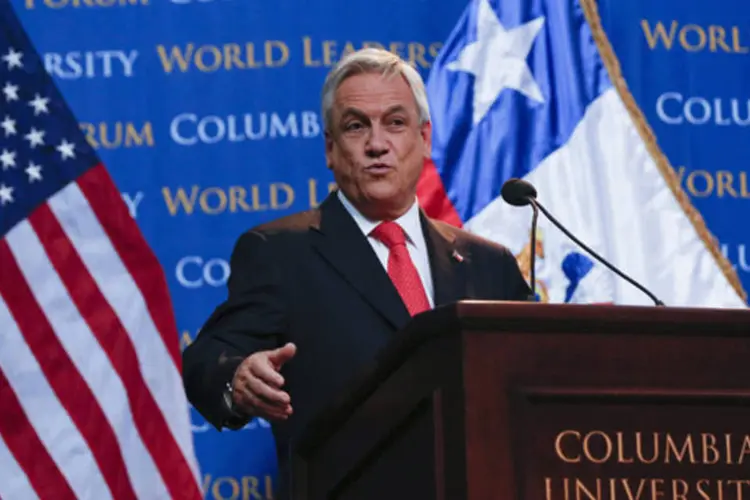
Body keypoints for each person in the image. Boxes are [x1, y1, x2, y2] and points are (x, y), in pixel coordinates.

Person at [182, 47, 532, 496]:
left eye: (395, 122)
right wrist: (237, 377)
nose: (376, 143)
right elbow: (206, 359)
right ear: (330, 148)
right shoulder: (280, 252)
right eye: (355, 126)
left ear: (424, 138)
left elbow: (532, 374)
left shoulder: (489, 262)